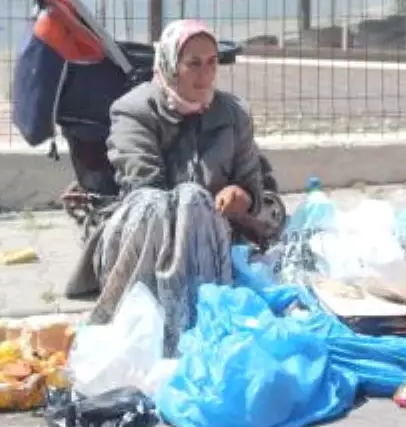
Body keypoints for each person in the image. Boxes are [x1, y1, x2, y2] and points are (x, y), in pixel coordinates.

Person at [63, 19, 277, 355]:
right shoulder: (133, 111)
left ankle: (195, 327)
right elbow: (144, 188)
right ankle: (153, 327)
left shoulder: (232, 114)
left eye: (212, 63)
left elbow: (257, 189)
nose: (205, 74)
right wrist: (202, 205)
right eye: (193, 64)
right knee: (181, 200)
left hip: (210, 242)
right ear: (169, 64)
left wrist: (242, 197)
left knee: (195, 202)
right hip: (145, 237)